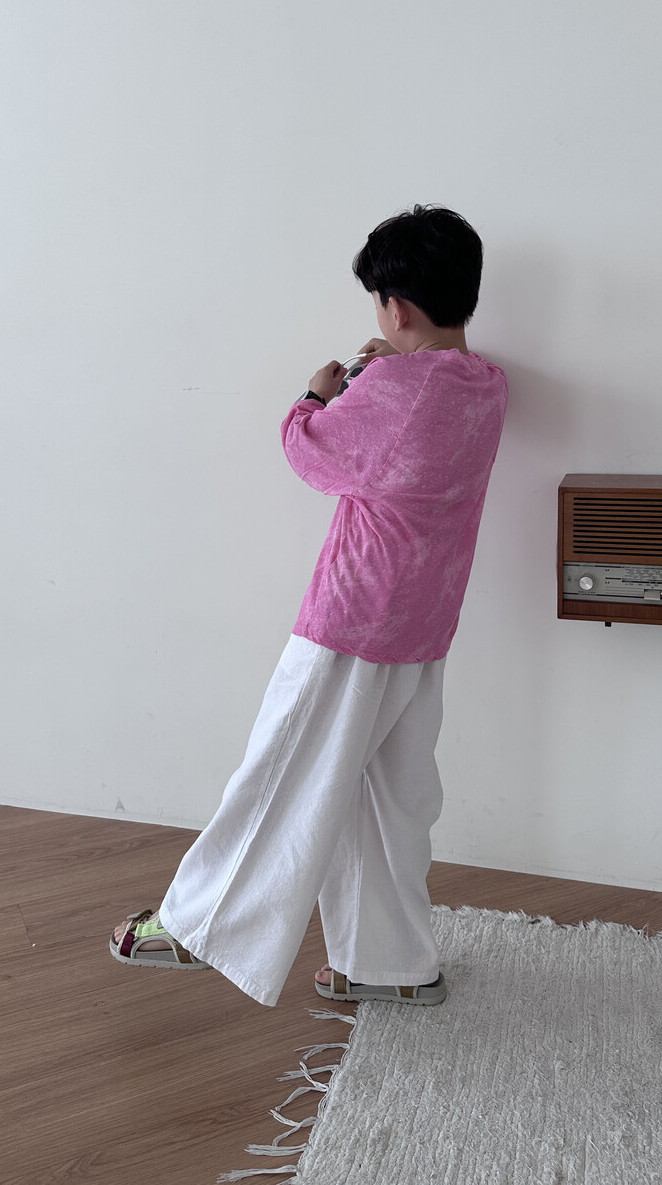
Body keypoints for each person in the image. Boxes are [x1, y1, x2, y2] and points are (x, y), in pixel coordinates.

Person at [110, 204, 507, 1007]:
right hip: (424, 624)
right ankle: (392, 965)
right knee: (389, 800)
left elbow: (312, 451)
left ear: (396, 308)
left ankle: (197, 926)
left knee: (281, 769)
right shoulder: (485, 385)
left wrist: (314, 394)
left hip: (355, 616)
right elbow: (409, 426)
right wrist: (383, 374)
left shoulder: (393, 387)